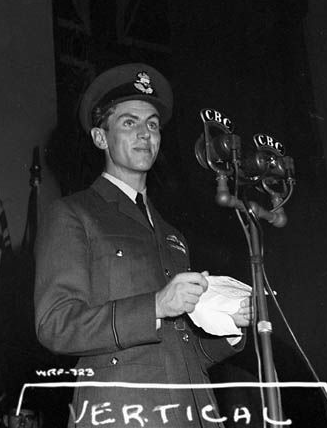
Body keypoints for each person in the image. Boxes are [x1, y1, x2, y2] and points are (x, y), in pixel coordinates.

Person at [34, 63, 251, 427]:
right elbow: (56, 324)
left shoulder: (171, 235)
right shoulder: (73, 214)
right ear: (100, 138)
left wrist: (228, 326)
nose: (144, 134)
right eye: (129, 123)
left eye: (152, 124)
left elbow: (182, 351)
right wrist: (156, 304)